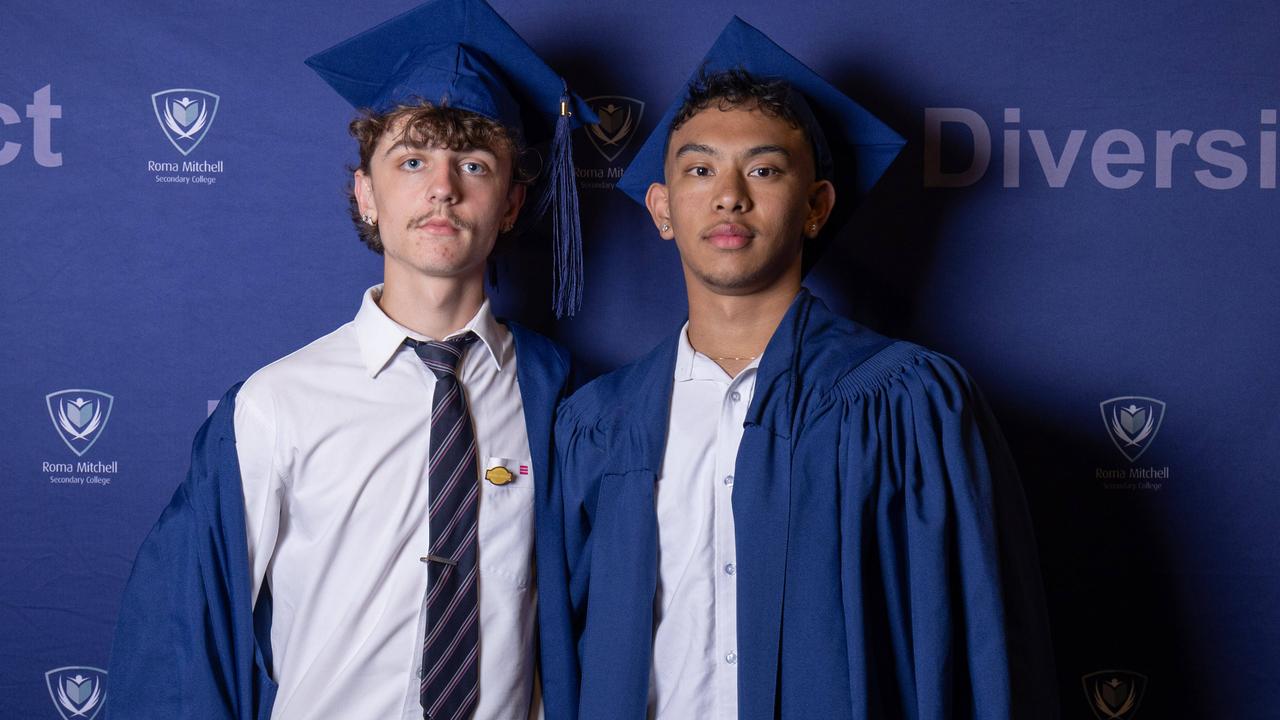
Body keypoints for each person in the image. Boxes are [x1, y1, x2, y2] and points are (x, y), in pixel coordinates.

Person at [547, 17, 1059, 720]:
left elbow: (975, 646)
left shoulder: (909, 402)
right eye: (699, 170)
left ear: (816, 206)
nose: (730, 195)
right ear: (661, 208)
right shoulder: (597, 423)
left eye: (764, 169)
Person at [106, 0, 595, 718]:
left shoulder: (562, 402)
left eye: (474, 163)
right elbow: (182, 638)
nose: (442, 188)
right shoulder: (275, 406)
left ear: (514, 201)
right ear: (366, 194)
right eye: (411, 160)